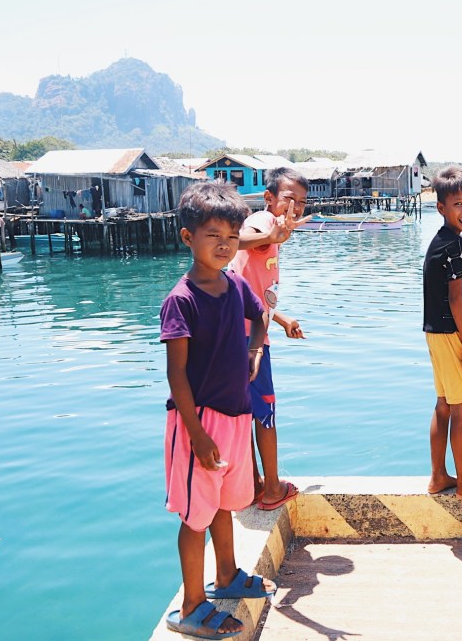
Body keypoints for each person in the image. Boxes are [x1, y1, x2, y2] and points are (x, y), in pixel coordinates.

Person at [160, 181, 274, 639]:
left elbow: (260, 316)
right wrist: (198, 435)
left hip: (234, 416)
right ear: (188, 238)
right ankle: (191, 604)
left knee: (224, 503)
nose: (225, 244)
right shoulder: (181, 300)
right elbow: (177, 376)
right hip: (199, 422)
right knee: (195, 516)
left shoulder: (235, 283)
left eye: (232, 235)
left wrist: (254, 351)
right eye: (214, 235)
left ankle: (226, 574)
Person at [230, 167, 311, 511]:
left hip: (241, 333)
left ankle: (252, 483)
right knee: (265, 413)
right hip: (250, 342)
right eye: (289, 200)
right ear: (269, 199)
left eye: (302, 204)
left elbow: (252, 291)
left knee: (246, 412)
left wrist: (279, 319)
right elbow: (241, 238)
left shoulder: (271, 231)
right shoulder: (261, 222)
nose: (295, 209)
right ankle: (274, 489)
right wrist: (272, 237)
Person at [423, 166, 462, 498]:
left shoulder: (446, 242)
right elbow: (456, 298)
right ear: (442, 208)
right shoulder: (453, 246)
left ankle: (438, 477)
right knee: (461, 410)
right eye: (458, 204)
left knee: (445, 404)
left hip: (436, 332)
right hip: (449, 334)